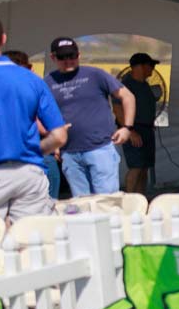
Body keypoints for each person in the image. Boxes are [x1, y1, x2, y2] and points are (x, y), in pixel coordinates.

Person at [0, 12, 66, 221]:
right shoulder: (32, 79)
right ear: (3, 38)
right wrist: (33, 150)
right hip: (29, 175)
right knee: (32, 243)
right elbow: (59, 136)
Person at [44, 37, 137, 197]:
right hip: (70, 153)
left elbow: (127, 97)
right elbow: (43, 114)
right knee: (81, 206)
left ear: (78, 55)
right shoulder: (48, 81)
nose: (68, 61)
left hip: (100, 149)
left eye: (71, 56)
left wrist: (127, 128)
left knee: (106, 203)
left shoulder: (95, 74)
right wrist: (53, 140)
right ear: (53, 58)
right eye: (62, 57)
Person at [6, 52, 61, 201]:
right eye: (29, 67)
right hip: (31, 160)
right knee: (44, 209)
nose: (32, 71)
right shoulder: (34, 86)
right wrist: (51, 147)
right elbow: (54, 132)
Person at [120, 52, 160, 196]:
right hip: (134, 130)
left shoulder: (145, 85)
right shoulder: (126, 85)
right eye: (151, 65)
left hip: (147, 129)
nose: (153, 69)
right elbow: (118, 109)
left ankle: (141, 200)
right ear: (140, 67)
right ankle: (130, 200)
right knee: (136, 167)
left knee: (144, 168)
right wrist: (129, 130)